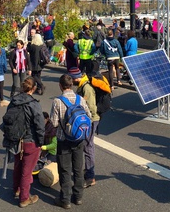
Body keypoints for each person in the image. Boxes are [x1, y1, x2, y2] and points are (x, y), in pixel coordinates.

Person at [50, 74, 91, 209]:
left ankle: (65, 200)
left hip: (63, 140)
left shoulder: (57, 101)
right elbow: (89, 117)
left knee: (65, 170)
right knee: (78, 169)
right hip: (79, 139)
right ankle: (78, 197)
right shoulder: (80, 99)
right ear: (72, 85)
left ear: (60, 86)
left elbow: (54, 123)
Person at [9, 77, 45, 207]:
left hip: (16, 140)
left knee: (17, 165)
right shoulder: (34, 104)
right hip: (30, 141)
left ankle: (16, 189)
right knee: (27, 171)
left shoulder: (14, 101)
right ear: (34, 88)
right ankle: (24, 198)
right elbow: (40, 126)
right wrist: (40, 142)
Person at [76, 71, 101, 189]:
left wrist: (86, 120)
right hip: (89, 120)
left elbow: (91, 108)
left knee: (88, 147)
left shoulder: (86, 87)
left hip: (91, 120)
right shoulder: (82, 85)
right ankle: (88, 173)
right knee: (86, 146)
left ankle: (90, 177)